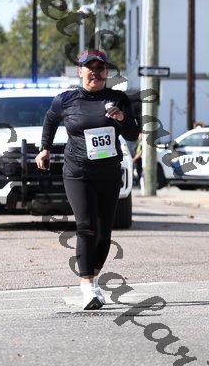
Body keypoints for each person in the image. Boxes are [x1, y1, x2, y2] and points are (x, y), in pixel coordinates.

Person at [36, 49, 140, 309]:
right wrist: (45, 148)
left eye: (100, 68)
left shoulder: (118, 99)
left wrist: (121, 118)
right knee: (86, 226)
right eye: (89, 68)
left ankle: (93, 279)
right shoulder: (66, 100)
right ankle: (87, 287)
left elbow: (133, 134)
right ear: (80, 71)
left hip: (109, 173)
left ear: (106, 72)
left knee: (104, 233)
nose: (95, 73)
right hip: (77, 172)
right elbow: (50, 120)